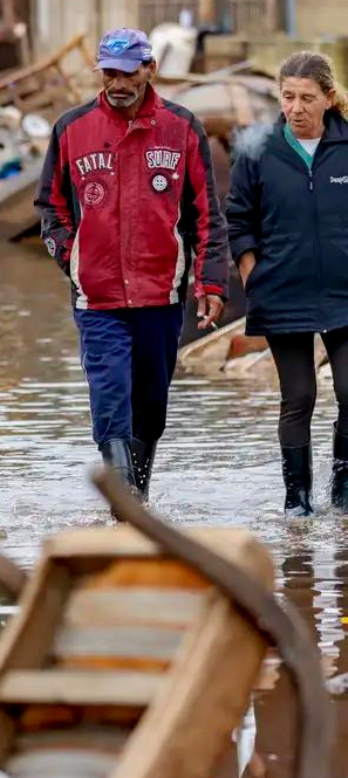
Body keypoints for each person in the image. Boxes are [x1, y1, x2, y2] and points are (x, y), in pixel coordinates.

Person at [35, 28, 229, 500]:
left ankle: (137, 499)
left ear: (149, 70)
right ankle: (125, 506)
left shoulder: (182, 127)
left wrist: (211, 283)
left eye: (127, 74)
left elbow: (207, 213)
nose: (117, 84)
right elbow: (50, 206)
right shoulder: (71, 128)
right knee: (110, 398)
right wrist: (71, 256)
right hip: (97, 298)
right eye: (108, 73)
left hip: (161, 294)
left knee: (150, 407)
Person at [225, 51, 348, 517]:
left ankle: (343, 494)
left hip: (344, 294)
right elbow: (238, 219)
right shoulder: (260, 150)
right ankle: (297, 504)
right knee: (298, 397)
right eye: (287, 97)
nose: (295, 107)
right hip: (283, 293)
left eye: (307, 98)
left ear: (329, 99)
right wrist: (252, 274)